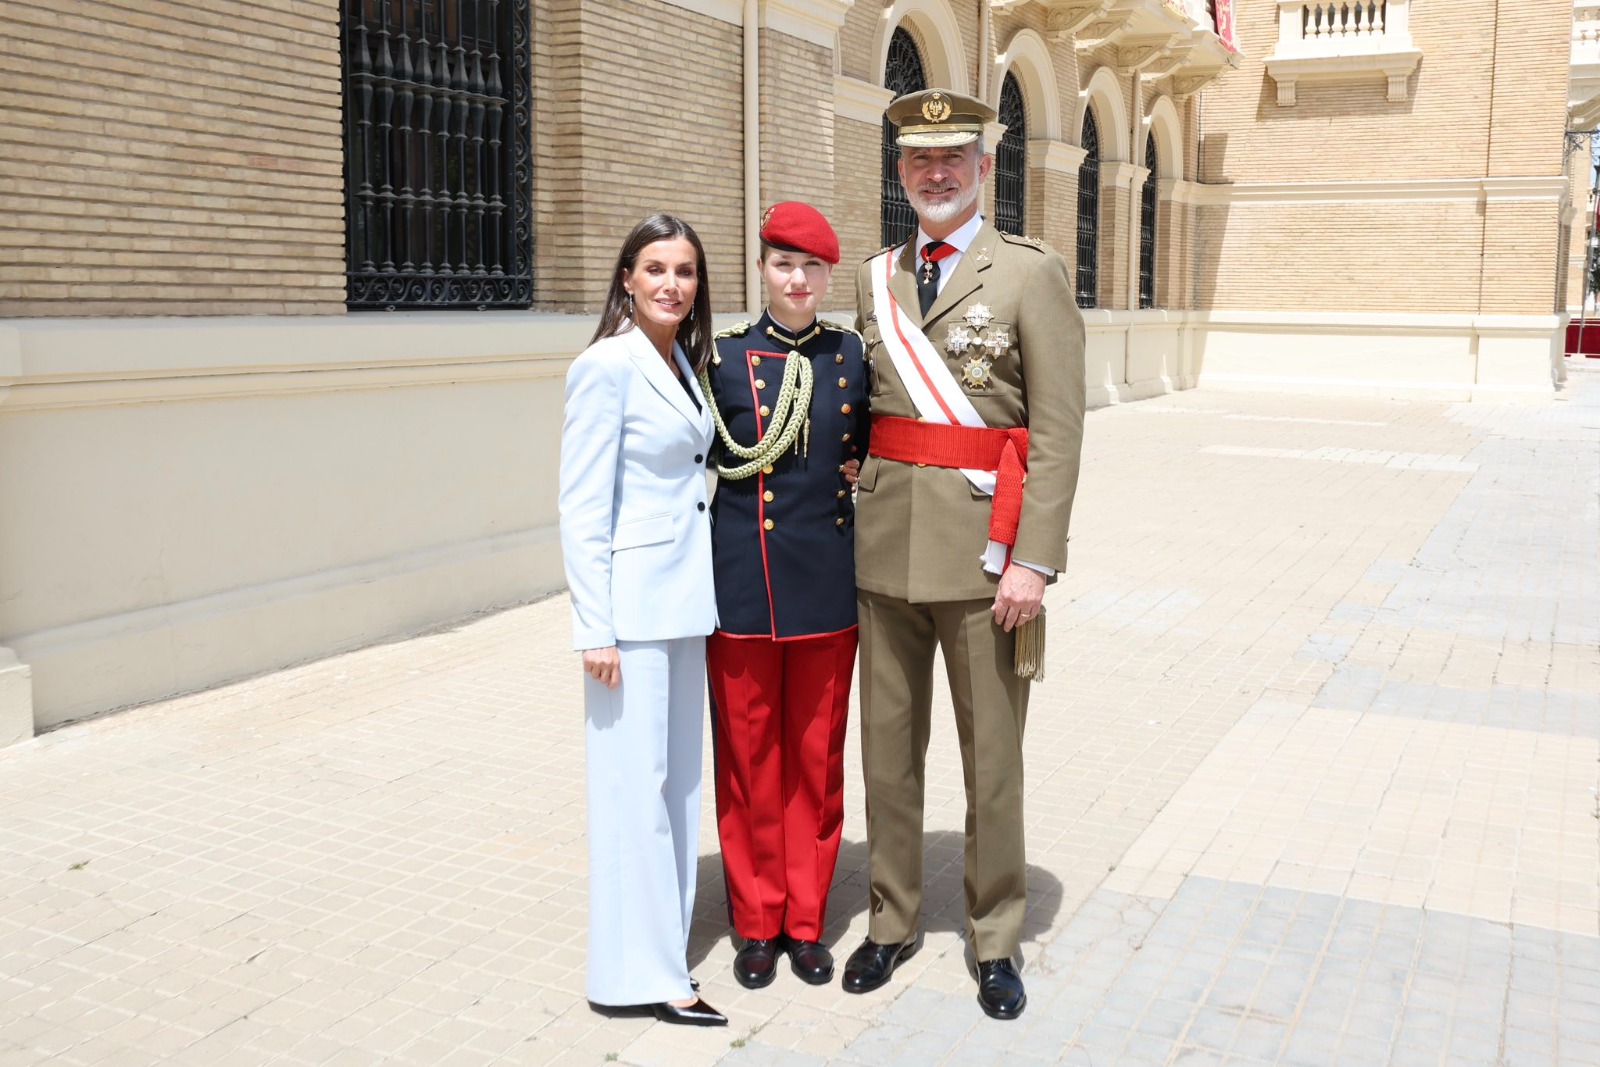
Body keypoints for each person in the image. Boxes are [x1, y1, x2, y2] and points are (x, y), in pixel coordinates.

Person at [841, 90, 1086, 1021]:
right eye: (917, 161)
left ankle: (995, 936)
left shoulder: (1028, 273)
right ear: (901, 173)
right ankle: (893, 918)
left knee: (992, 760)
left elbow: (1058, 434)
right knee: (888, 753)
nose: (934, 174)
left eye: (953, 158)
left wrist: (1036, 560)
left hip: (990, 563)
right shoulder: (874, 280)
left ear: (984, 165)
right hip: (883, 551)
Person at [558, 213, 727, 1027]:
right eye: (654, 268)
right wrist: (594, 626)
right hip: (628, 614)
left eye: (685, 270)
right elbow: (581, 506)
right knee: (634, 792)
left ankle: (657, 955)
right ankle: (650, 978)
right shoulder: (606, 365)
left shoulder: (684, 363)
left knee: (676, 788)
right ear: (626, 277)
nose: (670, 283)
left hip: (685, 603)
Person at [700, 202, 871, 990]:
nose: (797, 279)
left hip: (828, 586)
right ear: (762, 268)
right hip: (742, 586)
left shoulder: (852, 356)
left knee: (815, 760)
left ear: (828, 275)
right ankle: (756, 920)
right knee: (746, 762)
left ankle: (806, 921)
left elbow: (875, 449)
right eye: (782, 264)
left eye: (810, 267)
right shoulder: (722, 358)